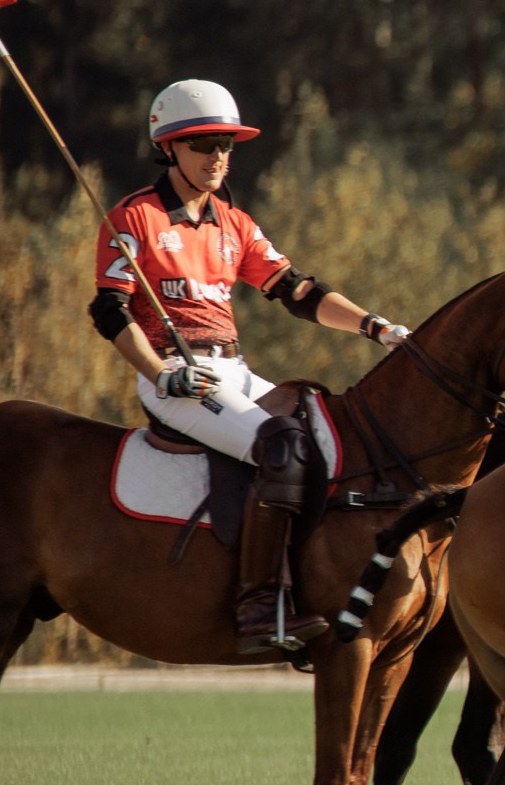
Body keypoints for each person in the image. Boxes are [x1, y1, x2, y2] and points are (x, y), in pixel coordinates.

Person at [87, 78, 413, 653]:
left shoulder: (233, 223)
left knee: (330, 436)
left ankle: (316, 579)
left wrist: (374, 326)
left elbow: (297, 291)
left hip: (233, 370)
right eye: (203, 144)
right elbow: (109, 310)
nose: (218, 157)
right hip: (177, 377)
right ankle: (260, 603)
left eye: (226, 145)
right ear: (168, 147)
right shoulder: (134, 218)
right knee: (281, 447)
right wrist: (161, 373)